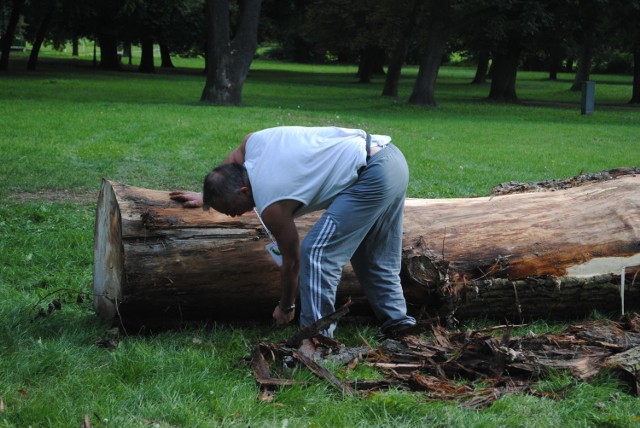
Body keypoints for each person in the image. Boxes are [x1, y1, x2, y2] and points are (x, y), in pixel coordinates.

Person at [170, 126, 416, 337]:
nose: (230, 215)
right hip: (391, 158)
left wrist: (286, 306)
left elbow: (293, 261)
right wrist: (211, 194)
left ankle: (317, 340)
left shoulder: (270, 203)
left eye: (230, 208)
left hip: (372, 174)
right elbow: (230, 164)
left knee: (318, 253)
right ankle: (399, 324)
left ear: (244, 191)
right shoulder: (252, 142)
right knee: (374, 254)